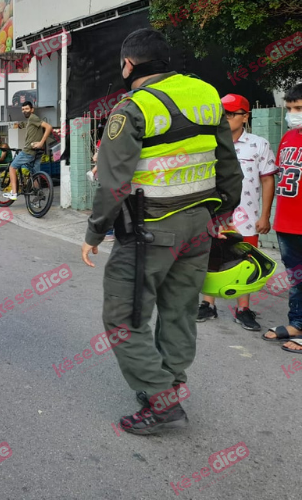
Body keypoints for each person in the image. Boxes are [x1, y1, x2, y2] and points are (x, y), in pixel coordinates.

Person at [80, 29, 243, 434]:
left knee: (122, 319)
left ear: (130, 64)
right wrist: (222, 214)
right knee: (180, 312)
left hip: (149, 231)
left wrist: (94, 233)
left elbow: (112, 185)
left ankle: (162, 401)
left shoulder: (131, 108)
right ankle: (170, 384)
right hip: (200, 226)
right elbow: (229, 166)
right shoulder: (206, 94)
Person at [197, 94, 277, 330]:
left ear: (244, 116)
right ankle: (207, 303)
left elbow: (267, 180)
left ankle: (243, 308)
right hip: (214, 216)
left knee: (246, 261)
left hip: (248, 216)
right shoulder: (208, 143)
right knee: (212, 257)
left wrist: (265, 215)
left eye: (230, 114)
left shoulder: (258, 144)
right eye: (222, 114)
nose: (225, 118)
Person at [263, 83, 302, 352]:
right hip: (287, 222)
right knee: (296, 278)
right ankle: (296, 323)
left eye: (298, 108)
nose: (292, 114)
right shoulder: (289, 138)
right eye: (289, 108)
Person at [3, 101, 53, 201]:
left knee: (12, 167)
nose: (24, 111)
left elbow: (49, 127)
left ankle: (14, 193)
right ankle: (39, 193)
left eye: (26, 109)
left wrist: (41, 142)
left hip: (29, 151)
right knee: (34, 174)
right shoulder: (30, 120)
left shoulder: (33, 118)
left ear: (32, 109)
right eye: (23, 109)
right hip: (37, 151)